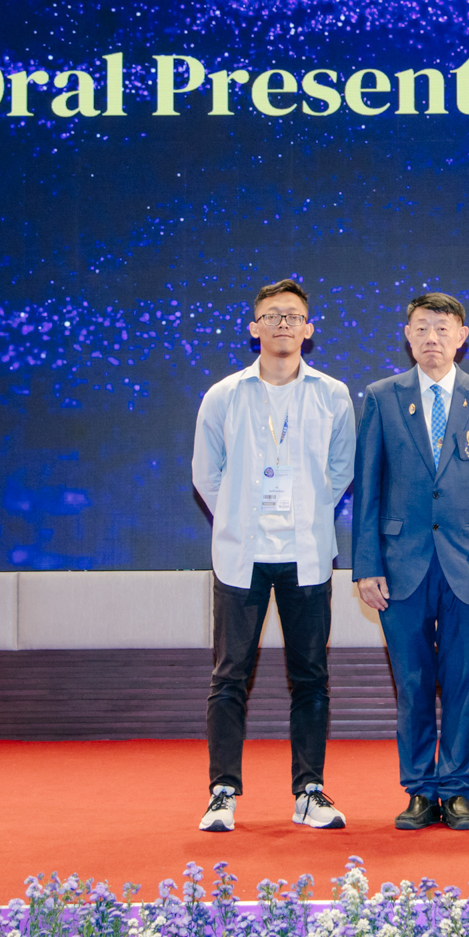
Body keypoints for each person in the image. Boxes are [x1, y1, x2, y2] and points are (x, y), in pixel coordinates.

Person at [191, 279, 357, 832]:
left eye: (292, 315)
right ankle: (222, 793)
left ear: (308, 329)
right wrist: (240, 516)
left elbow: (341, 468)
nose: (283, 323)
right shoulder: (224, 396)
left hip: (306, 553)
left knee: (310, 676)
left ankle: (310, 791)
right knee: (228, 677)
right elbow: (205, 473)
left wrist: (306, 511)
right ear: (253, 327)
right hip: (242, 555)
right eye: (272, 315)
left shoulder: (332, 394)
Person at [352, 291, 469, 830]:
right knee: (413, 683)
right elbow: (368, 490)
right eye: (422, 327)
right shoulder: (382, 397)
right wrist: (366, 565)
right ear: (407, 335)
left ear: (462, 337)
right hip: (400, 566)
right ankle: (420, 790)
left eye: (443, 329)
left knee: (464, 683)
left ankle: (459, 789)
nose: (432, 338)